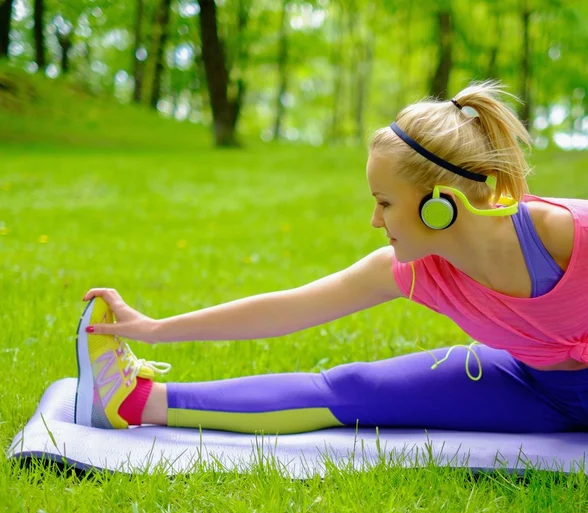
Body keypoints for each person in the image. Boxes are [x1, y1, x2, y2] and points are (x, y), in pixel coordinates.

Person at [74, 80, 588, 435]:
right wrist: (156, 328)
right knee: (348, 390)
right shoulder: (414, 272)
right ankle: (138, 403)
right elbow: (287, 309)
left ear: (439, 206)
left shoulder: (568, 233)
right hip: (537, 388)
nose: (375, 220)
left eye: (384, 203)